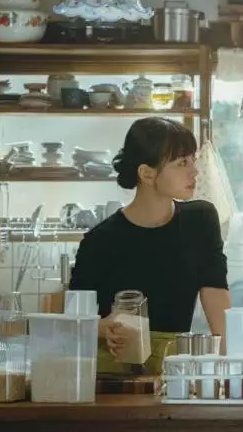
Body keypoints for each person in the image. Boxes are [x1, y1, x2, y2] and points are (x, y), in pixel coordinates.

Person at [70, 117, 231, 374]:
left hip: (174, 371)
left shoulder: (201, 220)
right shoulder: (99, 241)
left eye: (193, 160)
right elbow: (72, 325)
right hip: (113, 376)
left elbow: (217, 302)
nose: (194, 171)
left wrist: (232, 372)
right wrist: (101, 328)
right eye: (182, 163)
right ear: (146, 173)